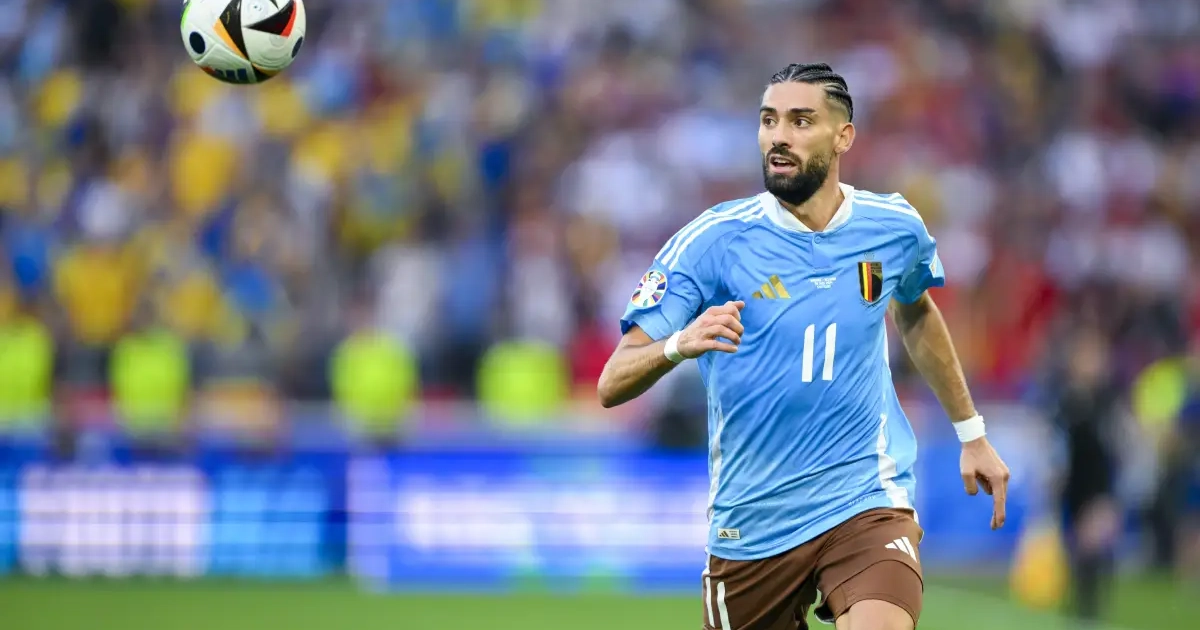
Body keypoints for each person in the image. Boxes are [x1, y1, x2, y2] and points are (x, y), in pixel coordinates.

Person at [597, 63, 1011, 630]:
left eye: (800, 121)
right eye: (769, 121)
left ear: (843, 136)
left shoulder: (893, 227)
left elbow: (915, 309)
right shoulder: (712, 242)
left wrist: (971, 433)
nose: (779, 136)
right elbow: (612, 381)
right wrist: (679, 344)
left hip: (864, 499)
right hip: (753, 523)